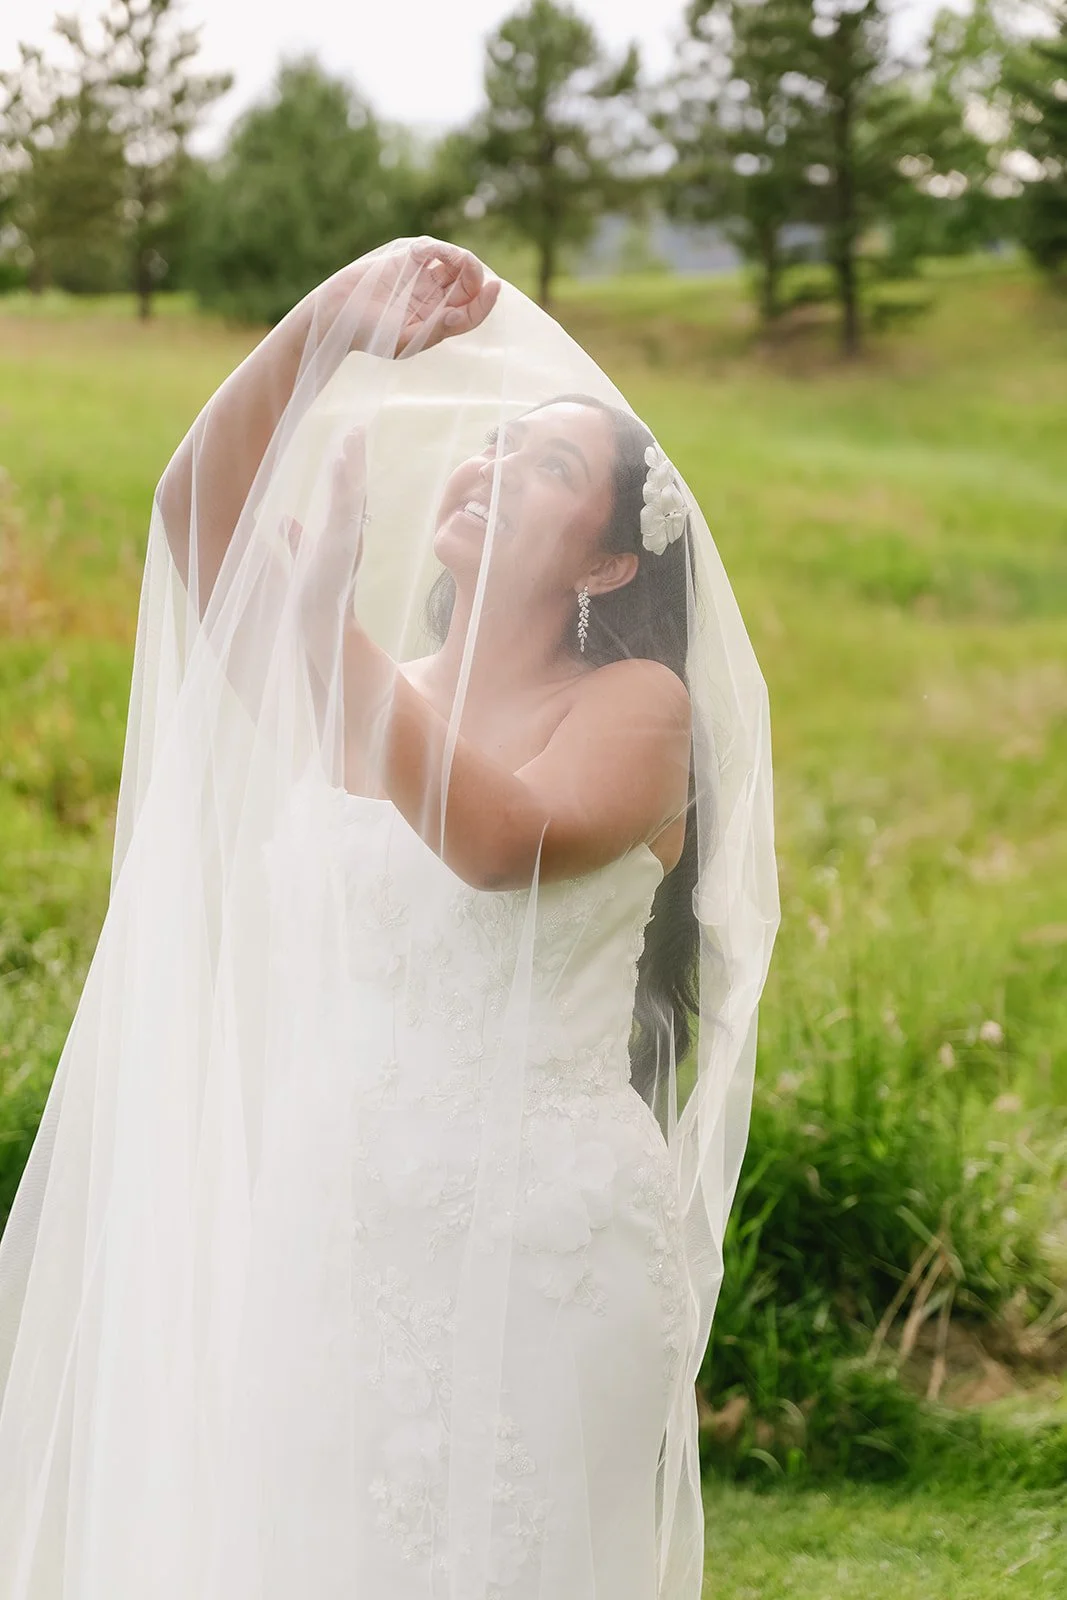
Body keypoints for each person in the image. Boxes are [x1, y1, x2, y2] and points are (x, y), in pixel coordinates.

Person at [0, 239, 779, 1600]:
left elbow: (498, 840)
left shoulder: (638, 710)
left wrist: (325, 634)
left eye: (543, 468)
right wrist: (329, 324)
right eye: (492, 446)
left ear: (603, 564)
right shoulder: (378, 684)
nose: (485, 466)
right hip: (327, 1215)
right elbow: (195, 509)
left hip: (539, 1242)